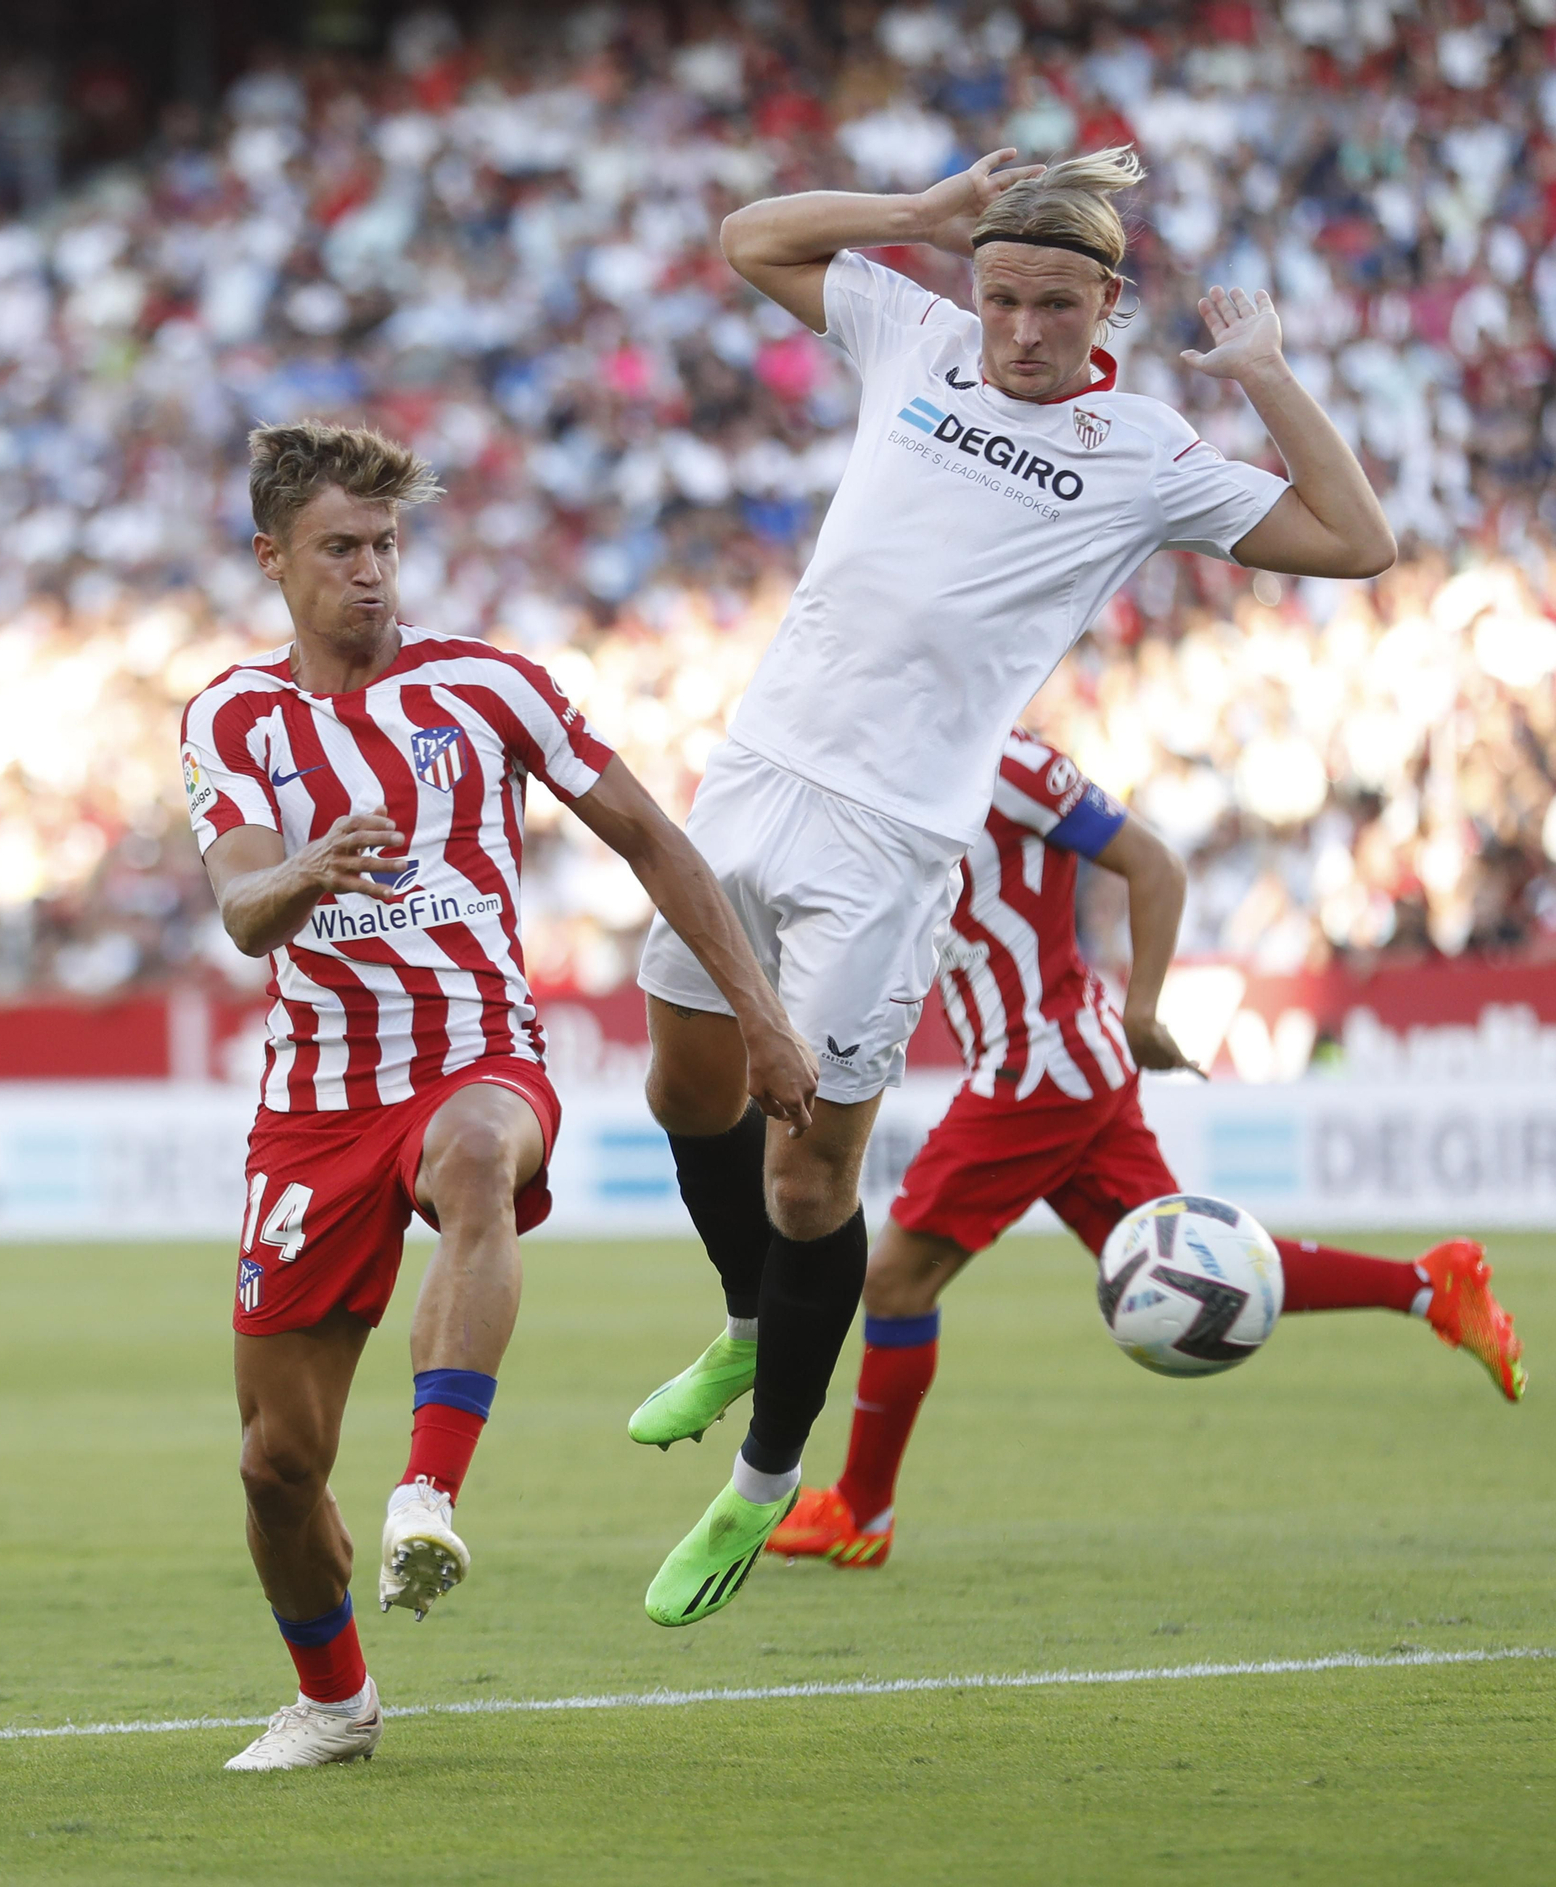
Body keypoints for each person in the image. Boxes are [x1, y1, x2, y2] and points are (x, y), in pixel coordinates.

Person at [629, 145, 1397, 1626]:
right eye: (1002, 297)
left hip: (896, 839)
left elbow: (1360, 543)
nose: (1024, 329)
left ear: (1106, 302)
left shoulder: (1148, 446)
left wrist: (1265, 375)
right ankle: (743, 1325)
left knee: (812, 1177)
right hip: (756, 774)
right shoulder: (916, 334)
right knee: (684, 1093)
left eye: (1055, 303)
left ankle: (771, 1478)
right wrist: (917, 216)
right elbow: (748, 234)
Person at [181, 420, 815, 1770]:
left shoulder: (492, 686)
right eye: (339, 548)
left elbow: (653, 836)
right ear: (271, 559)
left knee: (478, 1155)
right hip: (316, 1103)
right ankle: (339, 1702)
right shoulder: (232, 715)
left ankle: (430, 1488)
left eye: (386, 545)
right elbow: (241, 903)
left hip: (476, 1054)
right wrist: (305, 873)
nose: (371, 572)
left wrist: (760, 1015)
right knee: (274, 1465)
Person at [767, 732, 1526, 1568]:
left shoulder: (1008, 763)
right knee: (1206, 1268)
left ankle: (862, 1513)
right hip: (1062, 1063)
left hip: (1042, 1064)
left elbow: (1156, 863)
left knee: (896, 1278)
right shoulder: (894, 765)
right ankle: (1428, 1285)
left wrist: (1144, 1008)